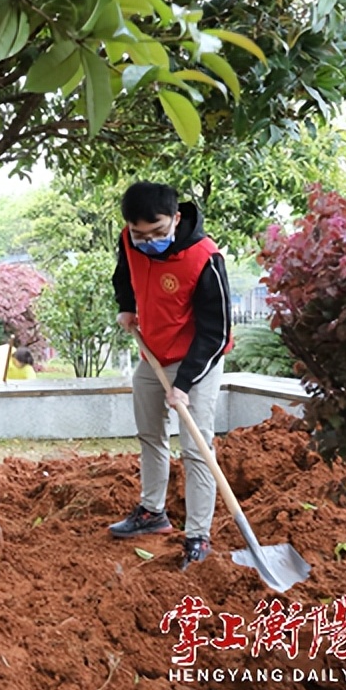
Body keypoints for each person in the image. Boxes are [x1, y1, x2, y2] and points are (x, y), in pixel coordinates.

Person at [108, 181, 232, 570]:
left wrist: (183, 385)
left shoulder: (204, 258)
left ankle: (198, 535)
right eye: (140, 234)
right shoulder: (131, 240)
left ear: (176, 218)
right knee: (150, 434)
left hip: (198, 361)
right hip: (153, 355)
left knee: (196, 449)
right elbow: (124, 274)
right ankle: (152, 511)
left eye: (158, 232)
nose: (148, 241)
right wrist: (128, 306)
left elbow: (218, 332)